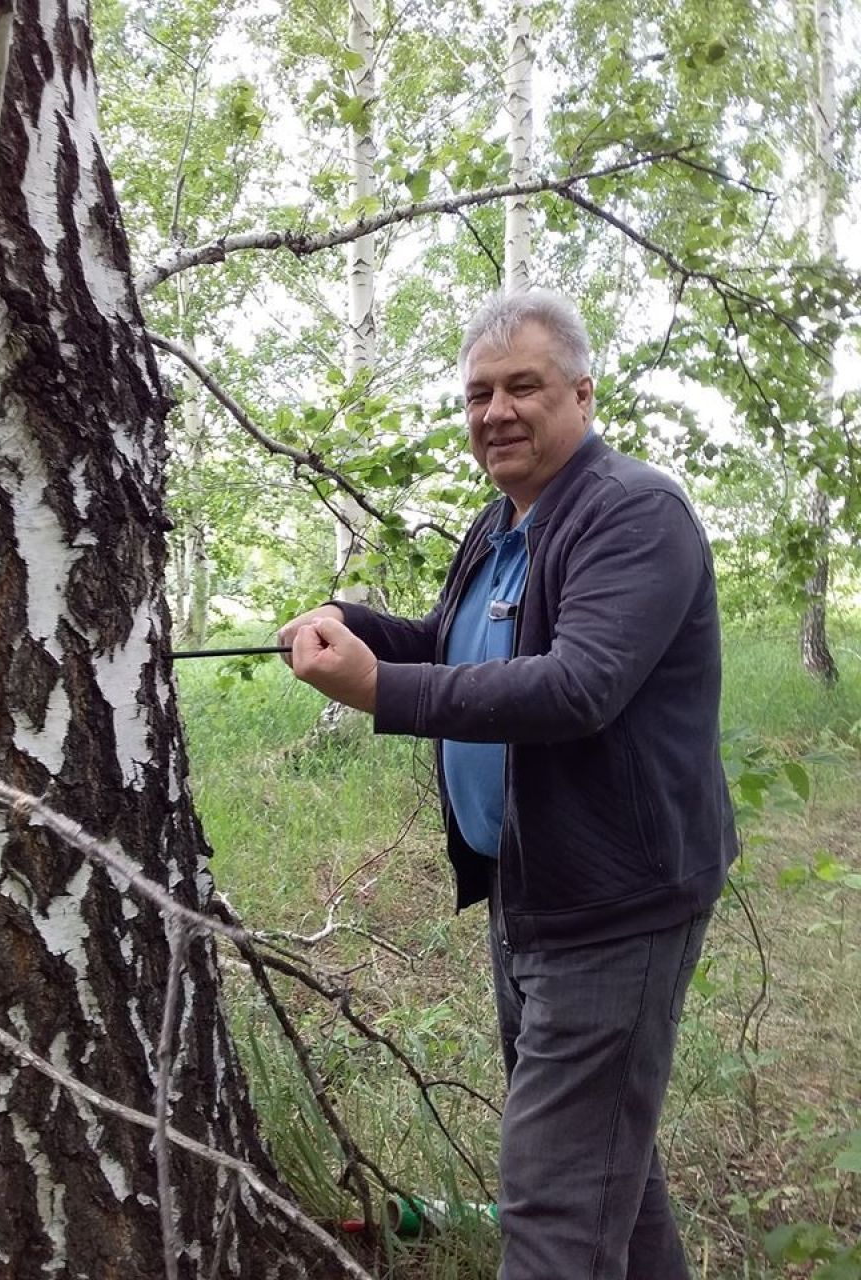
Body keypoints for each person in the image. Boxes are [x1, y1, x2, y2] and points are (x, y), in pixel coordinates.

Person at [279, 289, 737, 1280]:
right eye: (478, 392)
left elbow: (579, 685)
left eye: (522, 385)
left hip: (615, 900)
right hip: (529, 884)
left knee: (552, 1211)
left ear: (582, 389)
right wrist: (356, 625)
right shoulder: (501, 525)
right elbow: (461, 645)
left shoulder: (633, 513)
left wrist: (381, 687)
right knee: (607, 1161)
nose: (496, 411)